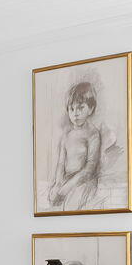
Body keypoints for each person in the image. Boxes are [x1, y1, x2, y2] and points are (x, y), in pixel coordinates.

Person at [46, 78, 105, 210]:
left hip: (85, 181)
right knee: (52, 199)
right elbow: (61, 164)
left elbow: (89, 169)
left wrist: (67, 188)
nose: (75, 113)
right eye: (71, 109)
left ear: (91, 109)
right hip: (67, 179)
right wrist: (58, 184)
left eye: (80, 108)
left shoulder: (93, 134)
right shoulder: (66, 135)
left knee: (70, 206)